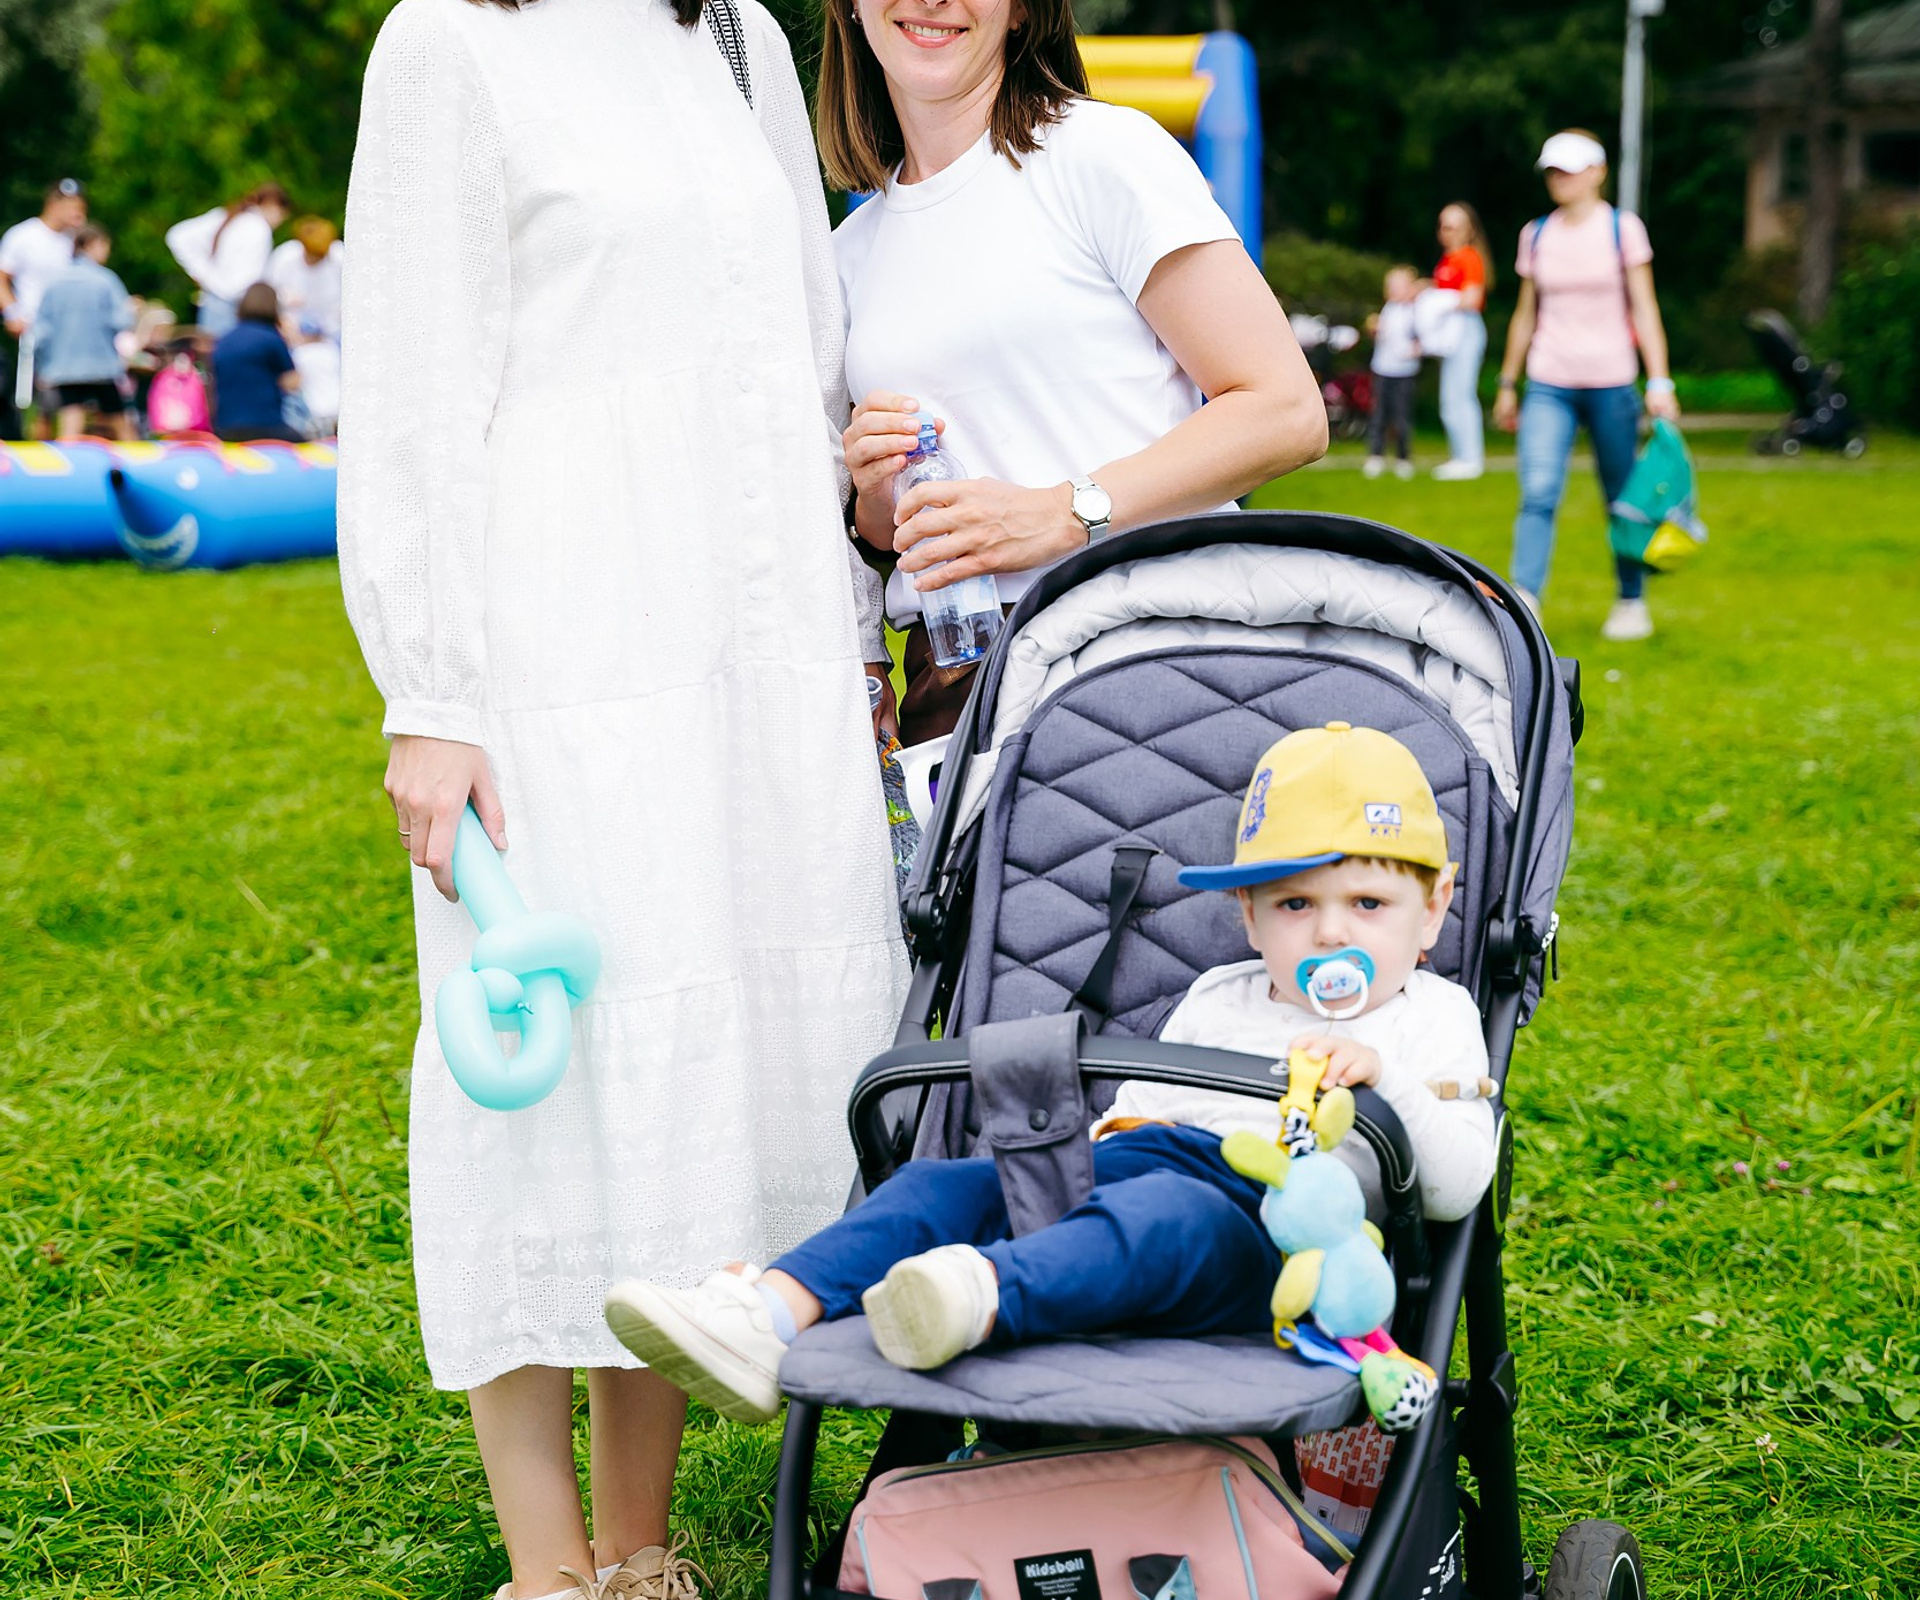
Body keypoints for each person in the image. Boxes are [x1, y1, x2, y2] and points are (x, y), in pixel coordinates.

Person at [338, 0, 904, 1597]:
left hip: (748, 650)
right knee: (547, 1082)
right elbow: (412, 398)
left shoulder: (740, 40)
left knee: (709, 1073)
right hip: (551, 653)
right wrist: (432, 697)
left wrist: (851, 513)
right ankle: (548, 1565)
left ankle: (648, 1549)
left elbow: (789, 352)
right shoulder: (446, 50)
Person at [604, 723, 1496, 1416]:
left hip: (1267, 1236)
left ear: (1433, 910)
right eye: (1295, 904)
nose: (1331, 933)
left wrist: (1384, 1080)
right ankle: (767, 1316)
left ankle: (978, 1294)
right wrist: (1097, 1147)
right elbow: (1141, 1111)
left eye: (1368, 904)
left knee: (1151, 1215)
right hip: (1146, 1170)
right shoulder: (1223, 996)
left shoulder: (1430, 1018)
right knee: (947, 1187)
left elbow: (1458, 1185)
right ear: (1250, 917)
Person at [824, 0, 1326, 746]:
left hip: (1143, 655)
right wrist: (874, 497)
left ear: (1021, 1)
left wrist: (1064, 512)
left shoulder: (1100, 154)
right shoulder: (848, 253)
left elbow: (1286, 410)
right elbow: (887, 532)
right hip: (955, 687)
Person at [1491, 130, 1680, 641]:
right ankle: (1525, 601)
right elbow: (1526, 313)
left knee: (1622, 498)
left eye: (1570, 169)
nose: (1559, 179)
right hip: (1549, 381)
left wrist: (1659, 380)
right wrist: (1509, 382)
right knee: (1538, 493)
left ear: (1598, 172)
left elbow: (1645, 307)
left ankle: (1630, 600)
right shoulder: (1536, 234)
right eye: (1552, 170)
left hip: (1612, 382)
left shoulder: (1623, 229)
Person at [33, 224, 137, 441]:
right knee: (119, 421)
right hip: (101, 365)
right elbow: (122, 320)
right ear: (92, 245)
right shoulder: (105, 280)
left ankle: (67, 472)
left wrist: (42, 365)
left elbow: (41, 330)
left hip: (64, 366)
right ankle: (139, 469)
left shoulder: (54, 282)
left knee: (71, 421)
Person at [0, 178, 86, 437]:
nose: (78, 214)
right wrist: (12, 313)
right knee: (39, 399)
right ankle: (35, 451)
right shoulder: (24, 236)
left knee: (72, 396)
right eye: (73, 207)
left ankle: (67, 450)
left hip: (71, 329)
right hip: (35, 327)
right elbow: (2, 277)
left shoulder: (75, 241)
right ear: (53, 204)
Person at [165, 182, 291, 339]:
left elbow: (178, 236)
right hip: (237, 308)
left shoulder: (228, 216)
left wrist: (205, 275)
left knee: (212, 357)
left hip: (213, 302)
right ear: (273, 206)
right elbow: (250, 279)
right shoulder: (259, 228)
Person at [1426, 203, 1492, 481]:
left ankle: (1471, 458)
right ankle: (1460, 455)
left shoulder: (1468, 257)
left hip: (1464, 330)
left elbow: (1471, 298)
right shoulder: (1447, 260)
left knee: (1461, 395)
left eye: (1453, 226)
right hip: (1449, 332)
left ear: (1468, 229)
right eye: (1443, 225)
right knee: (1450, 397)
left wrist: (1437, 301)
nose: (1446, 232)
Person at [210, 281, 301, 440]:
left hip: (226, 428)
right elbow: (292, 383)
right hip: (266, 426)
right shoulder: (271, 338)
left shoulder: (223, 340)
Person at [1362, 265, 1421, 480]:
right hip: (1382, 369)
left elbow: (1424, 337)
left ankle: (1403, 458)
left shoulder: (1415, 311)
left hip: (1403, 372)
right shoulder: (1388, 309)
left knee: (1401, 417)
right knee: (1378, 415)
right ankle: (1375, 455)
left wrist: (1416, 349)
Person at [269, 215, 345, 340]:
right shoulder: (285, 256)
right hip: (293, 330)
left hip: (333, 331)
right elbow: (269, 293)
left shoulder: (340, 257)